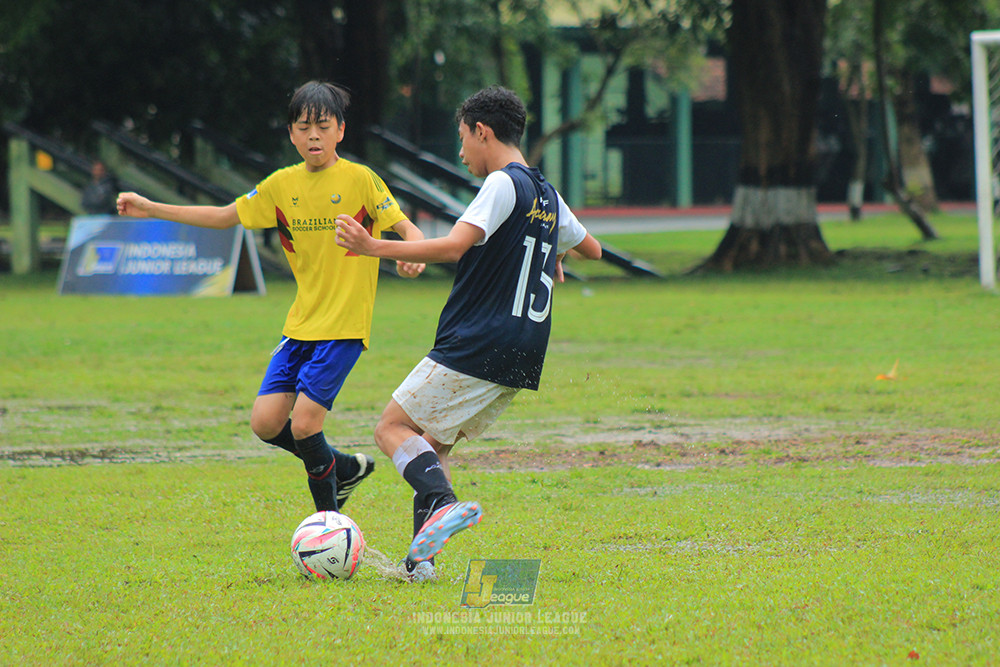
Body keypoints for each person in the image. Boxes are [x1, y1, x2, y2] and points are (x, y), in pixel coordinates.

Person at [117, 81, 426, 515]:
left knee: (303, 425)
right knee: (265, 424)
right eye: (304, 127)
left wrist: (415, 253)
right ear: (291, 134)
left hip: (343, 327)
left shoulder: (360, 179)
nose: (313, 135)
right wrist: (153, 208)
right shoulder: (281, 185)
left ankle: (327, 525)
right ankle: (342, 468)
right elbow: (225, 215)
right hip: (300, 324)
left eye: (323, 125)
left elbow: (405, 227)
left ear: (341, 129)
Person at [335, 85, 603, 581]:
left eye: (463, 139)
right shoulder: (548, 193)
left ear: (483, 131)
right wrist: (558, 252)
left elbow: (456, 246)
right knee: (432, 446)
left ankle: (442, 501)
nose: (460, 152)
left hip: (480, 337)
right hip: (525, 349)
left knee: (391, 429)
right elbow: (595, 250)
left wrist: (373, 247)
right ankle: (422, 564)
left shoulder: (503, 184)